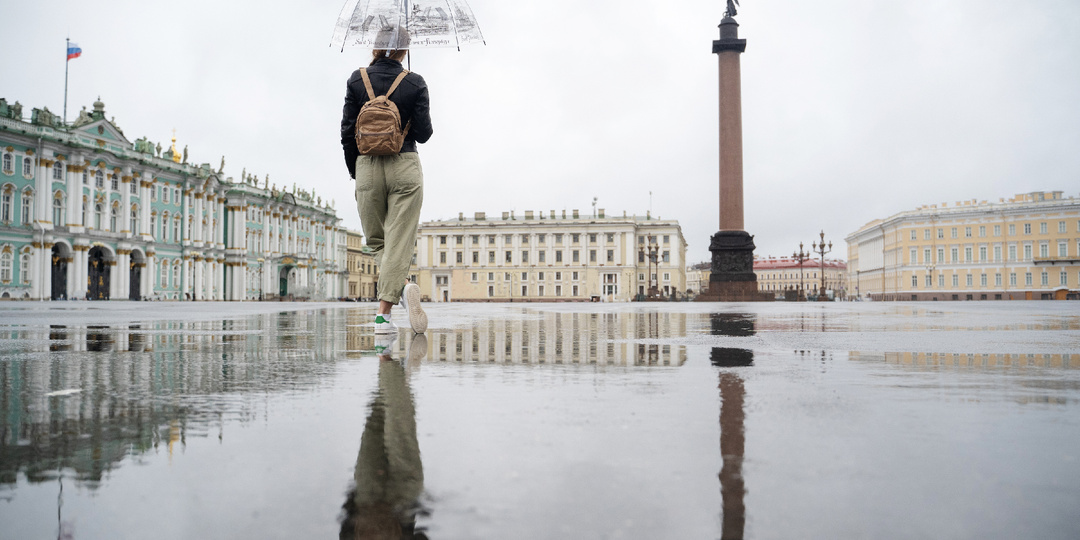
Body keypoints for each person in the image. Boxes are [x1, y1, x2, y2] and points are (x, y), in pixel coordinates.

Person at [341, 26, 431, 335]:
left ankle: (398, 291)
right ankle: (385, 313)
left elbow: (346, 132)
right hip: (404, 164)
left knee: (376, 241)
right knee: (399, 240)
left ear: (377, 47)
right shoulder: (415, 82)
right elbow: (424, 134)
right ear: (403, 50)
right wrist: (411, 92)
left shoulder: (356, 79)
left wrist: (356, 170)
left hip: (366, 166)